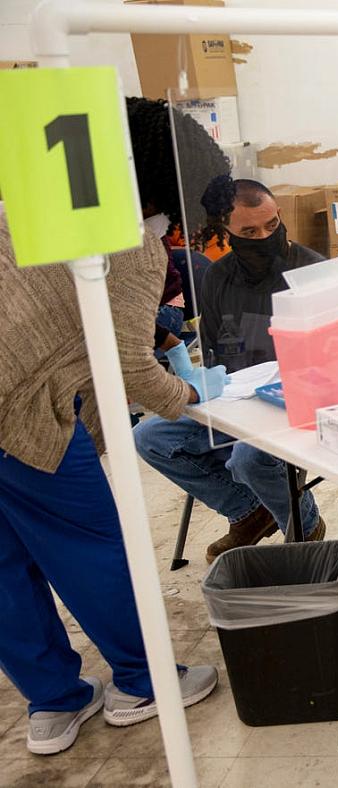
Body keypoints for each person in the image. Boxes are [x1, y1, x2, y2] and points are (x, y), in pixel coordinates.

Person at [0, 97, 225, 756]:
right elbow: (130, 369)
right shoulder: (131, 239)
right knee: (92, 548)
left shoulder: (38, 201)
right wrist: (190, 396)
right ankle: (145, 679)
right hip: (21, 415)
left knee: (6, 567)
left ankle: (53, 704)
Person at [134, 178, 327, 565]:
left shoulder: (315, 271)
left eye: (272, 226)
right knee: (149, 436)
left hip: (298, 405)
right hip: (237, 400)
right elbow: (214, 355)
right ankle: (247, 511)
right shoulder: (217, 277)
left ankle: (304, 525)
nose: (265, 237)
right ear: (227, 232)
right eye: (250, 232)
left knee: (247, 457)